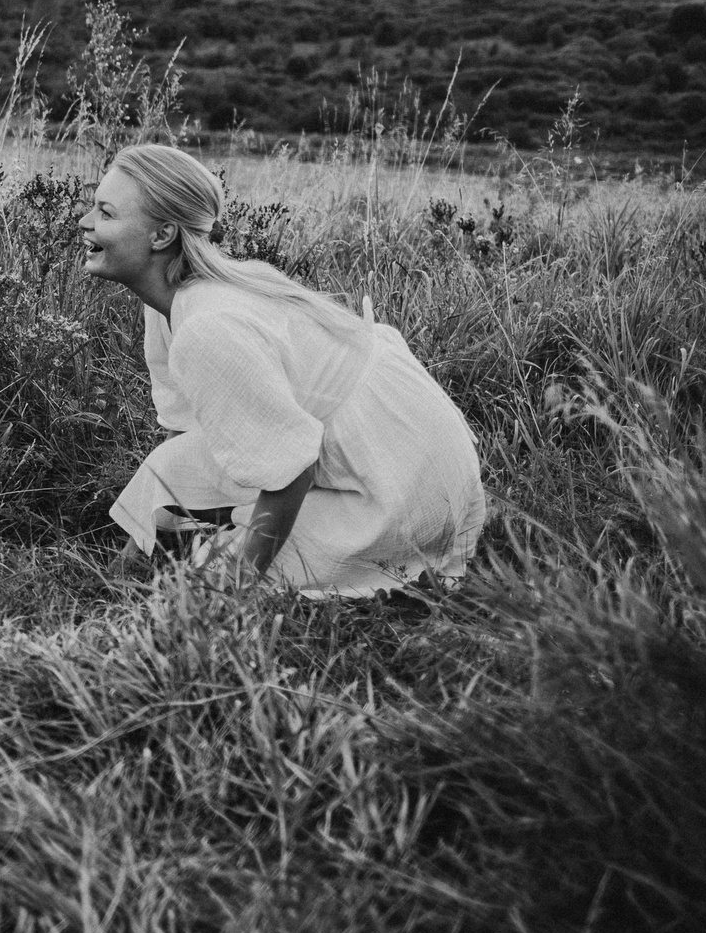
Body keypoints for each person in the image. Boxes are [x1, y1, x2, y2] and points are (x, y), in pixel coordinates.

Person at [79, 143, 488, 597]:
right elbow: (185, 437)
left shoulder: (209, 325)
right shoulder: (171, 304)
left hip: (404, 480)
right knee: (169, 475)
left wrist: (239, 582)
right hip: (386, 449)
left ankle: (366, 555)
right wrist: (152, 533)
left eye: (106, 213)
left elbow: (291, 468)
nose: (85, 221)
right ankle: (149, 564)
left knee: (205, 582)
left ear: (162, 236)